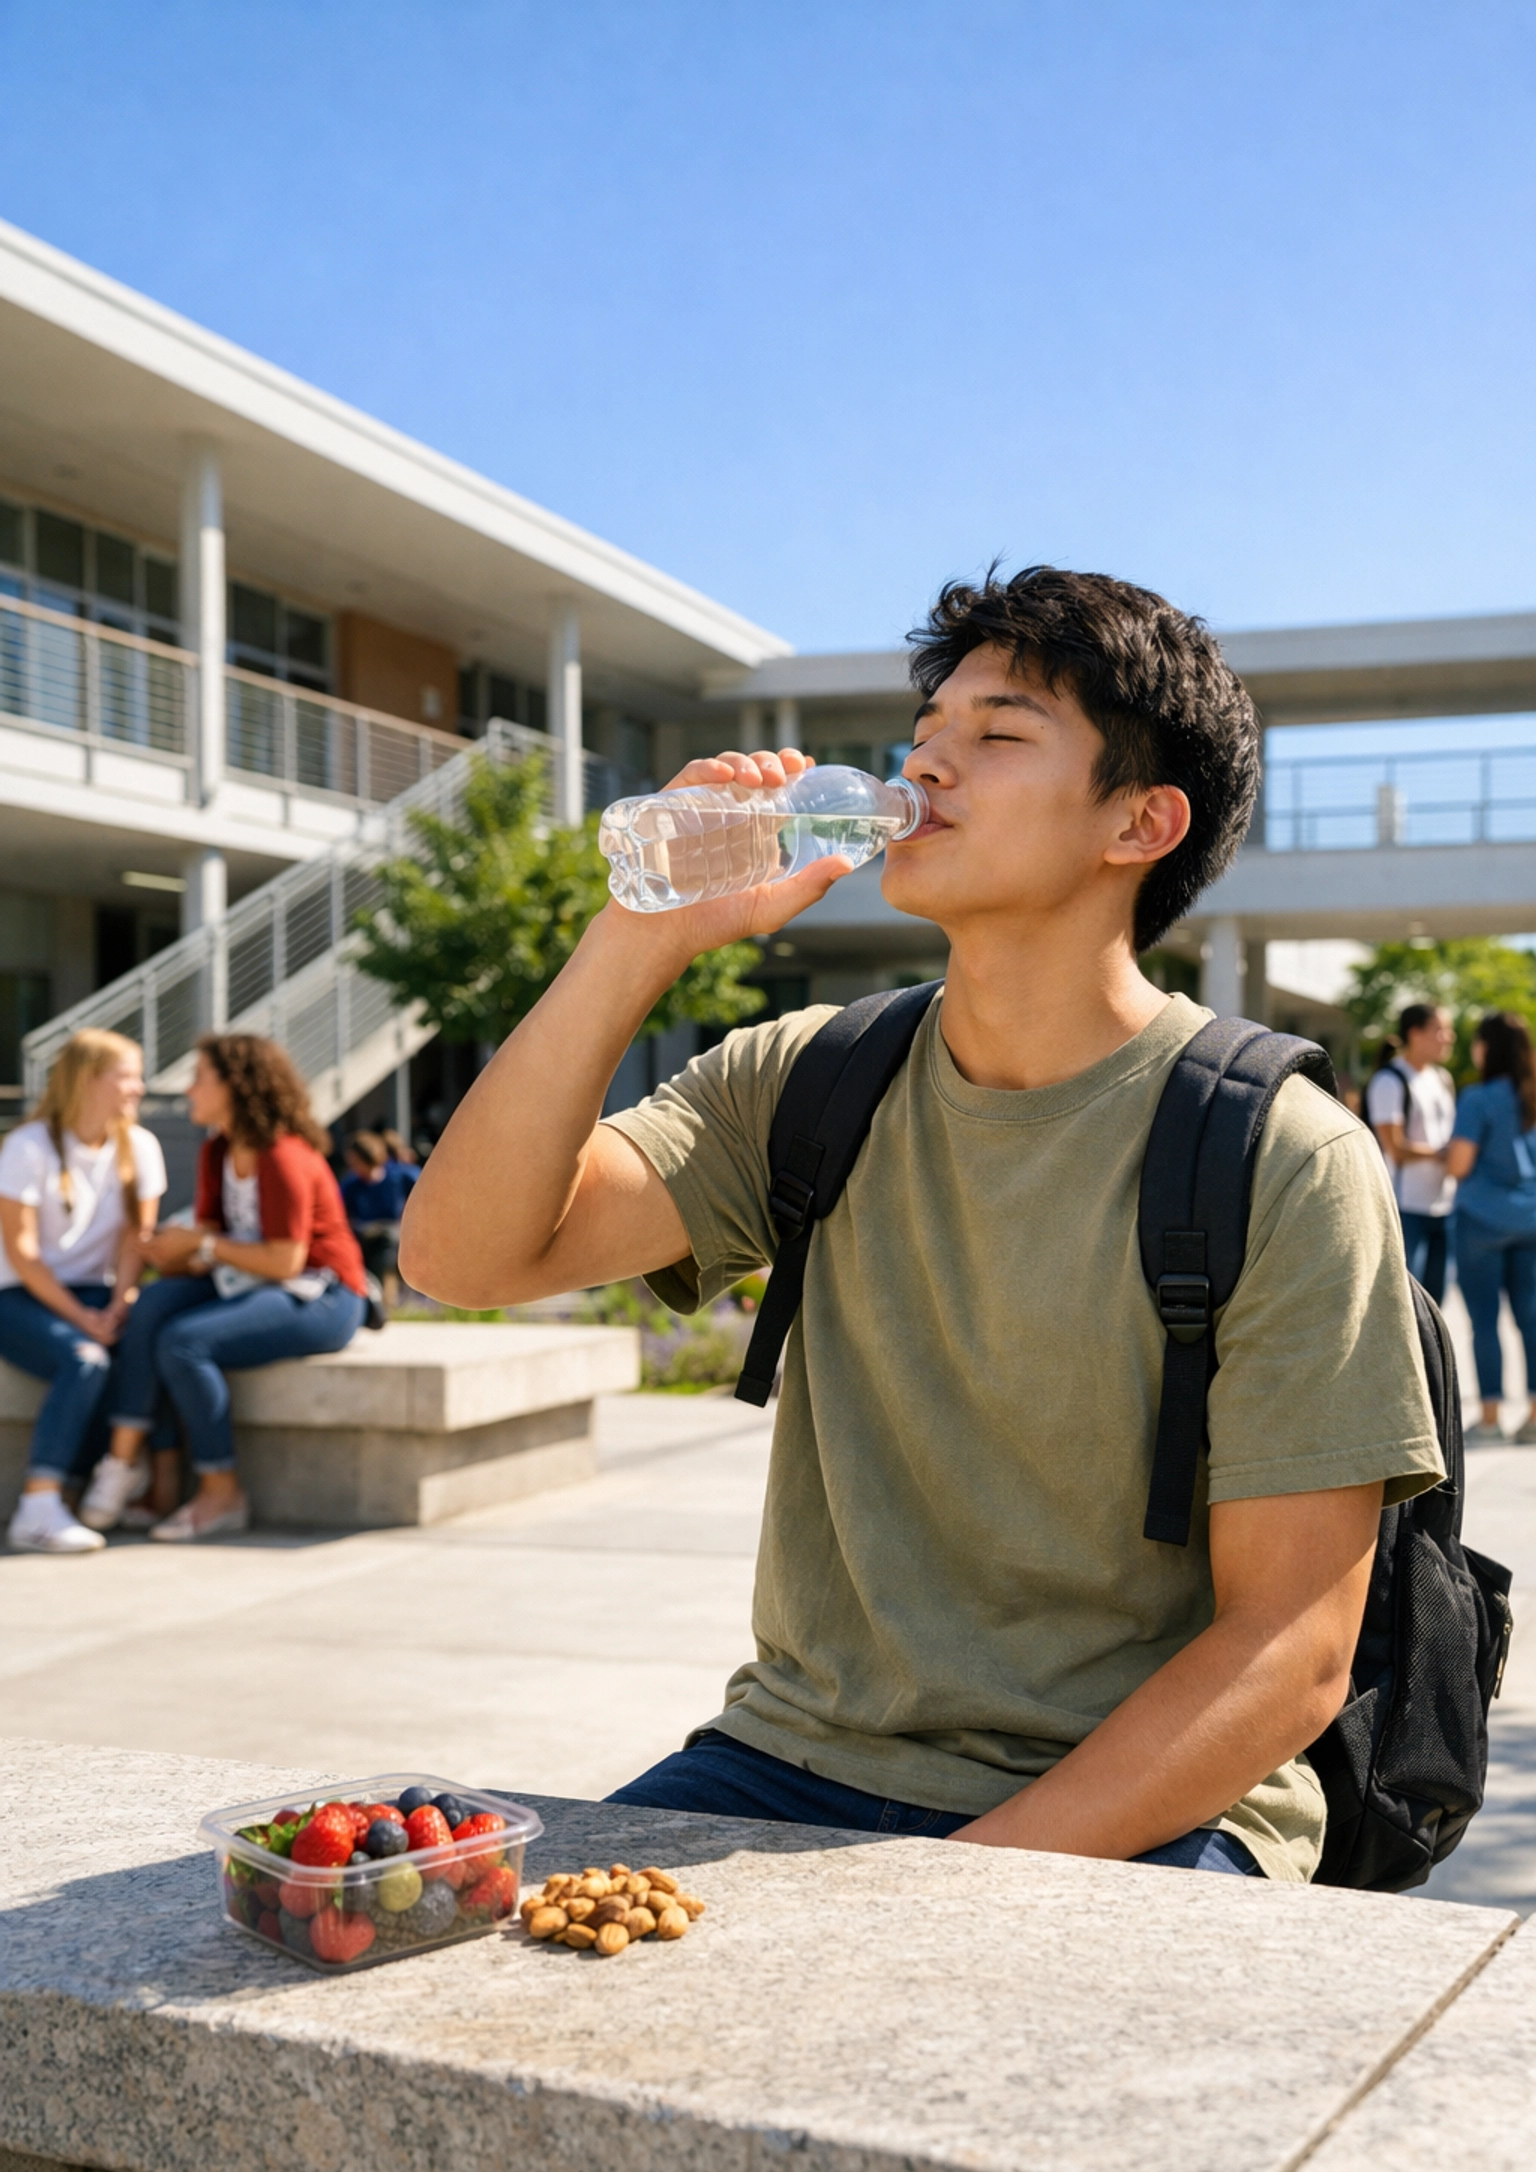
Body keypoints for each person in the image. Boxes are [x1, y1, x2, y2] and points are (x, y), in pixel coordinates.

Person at [402, 564, 1441, 1884]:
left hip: (1148, 1801)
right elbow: (461, 1257)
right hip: (793, 1761)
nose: (929, 765)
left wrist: (942, 1898)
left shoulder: (1279, 1152)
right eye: (926, 733)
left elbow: (1290, 1649)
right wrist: (641, 935)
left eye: (1000, 734)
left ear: (1141, 823)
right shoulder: (808, 1080)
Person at [80, 1033, 367, 1539]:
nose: (188, 1091)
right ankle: (137, 1470)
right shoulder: (217, 1150)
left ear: (235, 1087)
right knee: (151, 1308)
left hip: (323, 1294)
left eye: (199, 1079)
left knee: (185, 1341)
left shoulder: (283, 1155)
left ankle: (221, 1492)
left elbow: (284, 1259)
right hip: (247, 1279)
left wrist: (201, 1246)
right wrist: (172, 1251)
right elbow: (213, 1239)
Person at [0, 1029, 165, 1553]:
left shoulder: (140, 1146)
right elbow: (23, 1254)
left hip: (98, 1295)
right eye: (127, 1076)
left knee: (149, 1339)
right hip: (20, 1295)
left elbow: (135, 1241)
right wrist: (82, 1318)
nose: (138, 1088)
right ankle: (39, 1506)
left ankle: (133, 1483)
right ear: (91, 1080)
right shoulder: (27, 1146)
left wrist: (121, 1302)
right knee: (87, 1359)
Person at [1445, 1011, 1536, 1446]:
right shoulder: (1531, 1095)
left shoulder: (1477, 1098)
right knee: (1532, 1320)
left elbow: (1460, 1164)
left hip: (1482, 1221)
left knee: (1484, 1321)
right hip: (1531, 1219)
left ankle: (1490, 1418)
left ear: (1488, 1048)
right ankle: (1534, 1417)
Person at [1364, 1003, 1458, 1303]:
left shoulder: (1442, 1078)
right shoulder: (1389, 1081)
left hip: (1445, 1206)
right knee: (1406, 1304)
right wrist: (1442, 1153)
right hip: (1407, 1207)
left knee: (1437, 1306)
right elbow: (1395, 1148)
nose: (1449, 1037)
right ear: (1415, 1034)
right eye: (1440, 1030)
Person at [340, 1127, 419, 1304]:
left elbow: (424, 1189)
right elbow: (342, 1212)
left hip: (392, 1234)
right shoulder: (351, 1184)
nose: (353, 1167)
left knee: (385, 1249)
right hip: (363, 1234)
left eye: (356, 1162)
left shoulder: (398, 1174)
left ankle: (383, 1300)